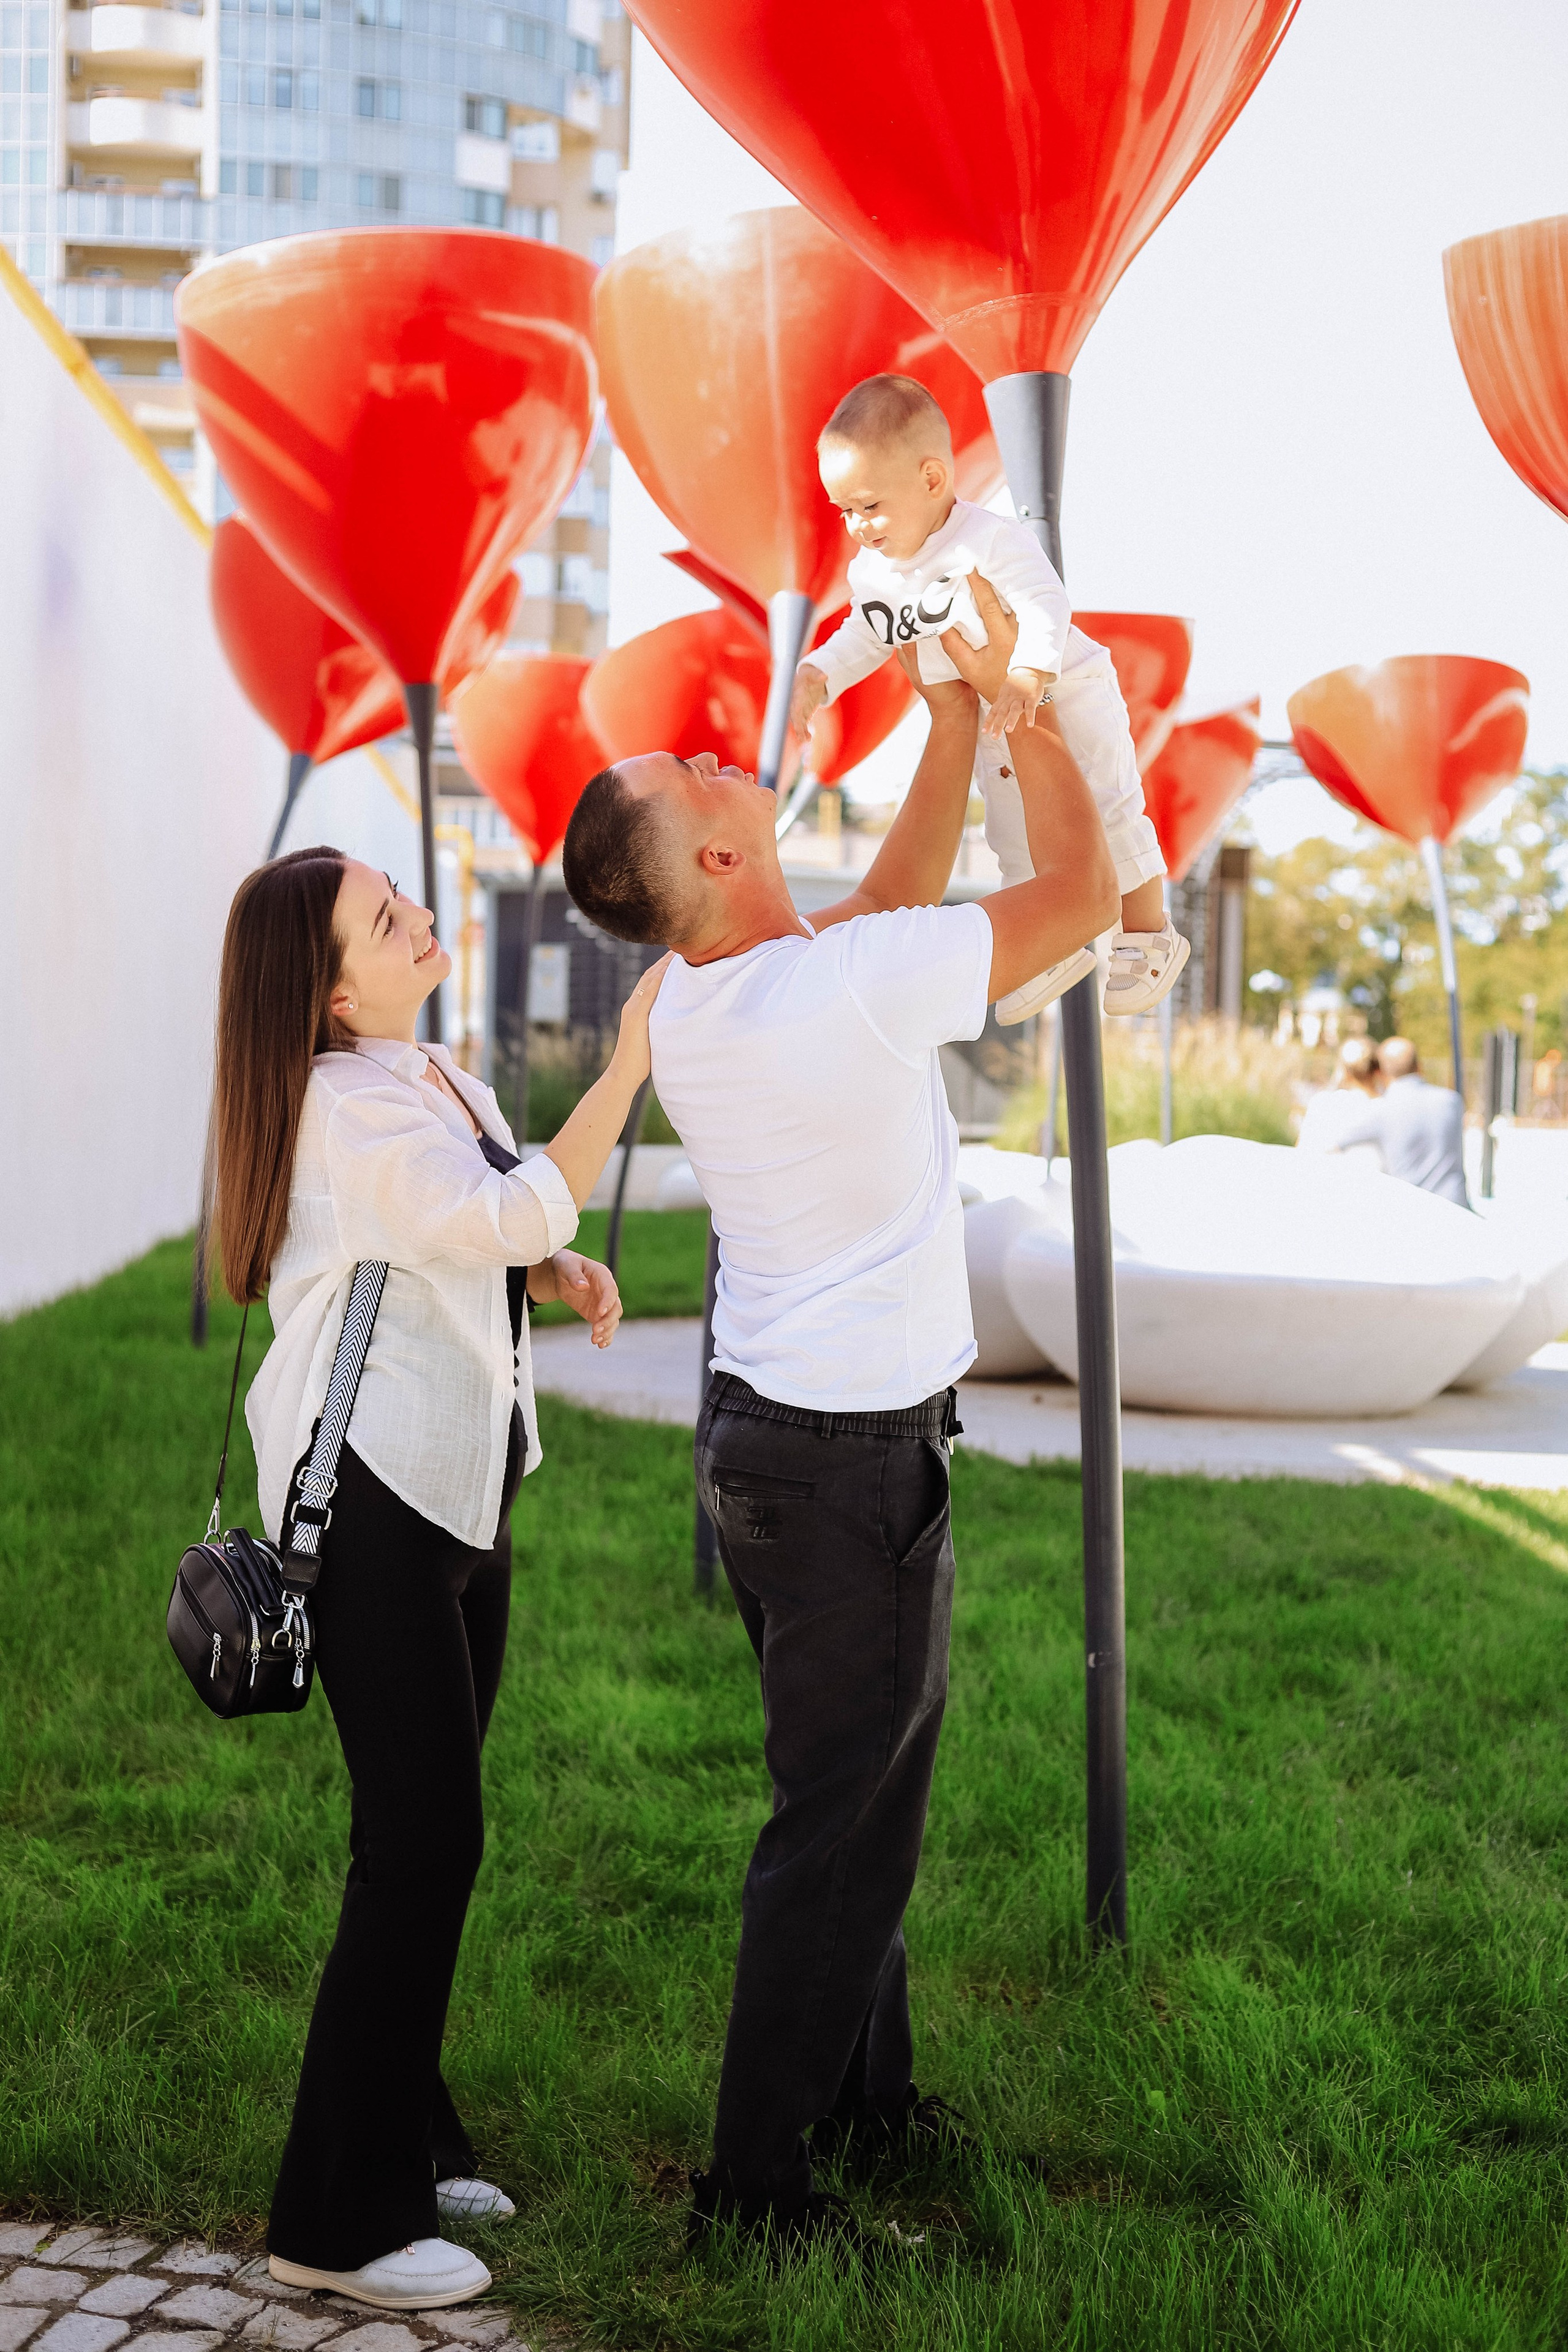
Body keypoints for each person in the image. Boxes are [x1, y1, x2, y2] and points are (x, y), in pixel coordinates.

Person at [561, 579, 1118, 2252]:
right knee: (838, 1839)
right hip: (848, 1472)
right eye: (692, 774)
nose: (718, 758)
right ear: (715, 860)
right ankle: (753, 2191)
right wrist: (1033, 706)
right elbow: (1082, 893)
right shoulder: (834, 985)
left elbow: (888, 898)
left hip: (773, 1458)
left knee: (857, 1799)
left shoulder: (727, 990)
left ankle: (870, 2105)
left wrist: (940, 721)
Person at [213, 846, 665, 2310]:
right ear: (332, 989)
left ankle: (406, 2128)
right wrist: (623, 1070)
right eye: (383, 919)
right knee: (420, 1844)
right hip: (375, 1513)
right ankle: (331, 2226)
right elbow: (500, 1209)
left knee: (433, 1827)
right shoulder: (345, 1105)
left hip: (465, 1491)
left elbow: (486, 1226)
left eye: (401, 898)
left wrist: (556, 1273)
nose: (415, 914)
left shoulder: (432, 1077)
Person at [789, 372, 1182, 1025]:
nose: (857, 526)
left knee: (1107, 808)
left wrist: (1028, 674)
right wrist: (819, 673)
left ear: (933, 481)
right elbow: (866, 632)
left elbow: (1044, 601)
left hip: (1064, 689)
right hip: (989, 708)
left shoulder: (986, 539)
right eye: (846, 512)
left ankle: (1145, 932)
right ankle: (1044, 948)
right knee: (1013, 826)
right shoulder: (875, 574)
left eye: (869, 506)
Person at [1327, 1035, 1469, 1207]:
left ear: (1380, 1073)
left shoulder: (1379, 1111)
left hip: (1409, 1210)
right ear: (1419, 1066)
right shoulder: (1452, 1102)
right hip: (1456, 1209)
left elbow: (1333, 1144)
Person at [1295, 1035, 1385, 1169]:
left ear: (1344, 1072)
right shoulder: (1388, 1110)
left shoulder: (1322, 1103)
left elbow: (1301, 1154)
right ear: (1378, 1071)